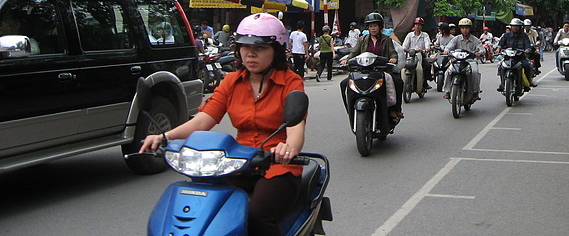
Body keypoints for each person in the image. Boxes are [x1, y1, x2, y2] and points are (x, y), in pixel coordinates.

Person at [139, 13, 305, 236]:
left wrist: (288, 149)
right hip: (236, 163)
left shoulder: (291, 82)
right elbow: (202, 121)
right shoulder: (231, 81)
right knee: (209, 211)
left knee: (257, 217)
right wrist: (164, 137)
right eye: (244, 47)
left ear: (276, 49)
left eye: (260, 47)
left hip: (276, 165)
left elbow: (295, 129)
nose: (250, 53)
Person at [340, 12, 404, 120]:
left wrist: (393, 58)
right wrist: (347, 59)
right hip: (364, 71)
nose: (373, 28)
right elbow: (354, 53)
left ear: (380, 27)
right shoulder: (362, 40)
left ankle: (395, 109)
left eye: (375, 26)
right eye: (370, 26)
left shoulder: (387, 40)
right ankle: (350, 108)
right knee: (343, 84)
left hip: (382, 71)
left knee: (398, 82)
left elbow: (393, 52)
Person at [443, 18, 483, 100]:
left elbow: (481, 48)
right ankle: (447, 91)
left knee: (475, 72)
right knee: (448, 72)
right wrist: (446, 51)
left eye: (467, 28)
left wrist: (480, 52)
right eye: (463, 28)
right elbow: (448, 47)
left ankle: (475, 92)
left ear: (470, 29)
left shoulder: (475, 40)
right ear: (460, 29)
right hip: (457, 61)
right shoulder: (456, 39)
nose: (465, 30)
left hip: (470, 61)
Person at [497, 18, 536, 90]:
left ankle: (528, 82)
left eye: (517, 26)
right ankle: (502, 84)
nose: (515, 28)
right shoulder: (506, 35)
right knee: (501, 66)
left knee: (527, 66)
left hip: (520, 57)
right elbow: (501, 43)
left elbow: (527, 44)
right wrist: (498, 48)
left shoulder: (524, 35)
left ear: (520, 27)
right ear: (511, 27)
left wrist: (527, 49)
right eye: (513, 26)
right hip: (508, 57)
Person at [402, 17, 433, 87]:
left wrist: (427, 49)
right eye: (416, 24)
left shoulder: (425, 35)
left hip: (421, 55)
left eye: (419, 25)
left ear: (422, 26)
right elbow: (405, 45)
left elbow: (427, 43)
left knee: (427, 65)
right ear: (414, 25)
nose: (417, 26)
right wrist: (404, 49)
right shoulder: (409, 35)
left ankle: (425, 82)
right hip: (410, 55)